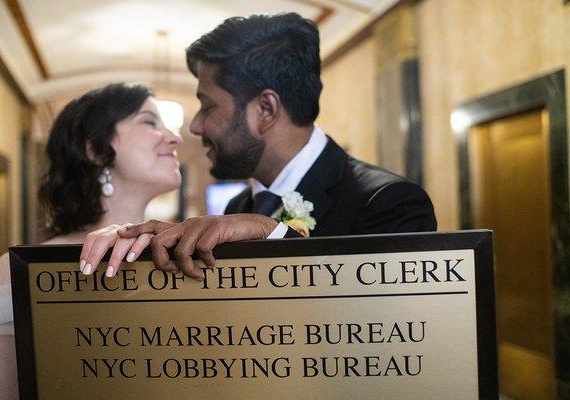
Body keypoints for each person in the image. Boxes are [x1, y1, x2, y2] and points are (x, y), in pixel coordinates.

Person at [0, 83, 278, 399]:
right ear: (95, 149)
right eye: (148, 121)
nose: (174, 137)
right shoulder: (15, 273)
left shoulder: (191, 253)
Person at [81, 12, 437, 277]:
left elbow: (385, 339)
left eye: (208, 106)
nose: (195, 125)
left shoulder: (389, 204)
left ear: (265, 109)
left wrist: (273, 234)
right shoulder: (239, 204)